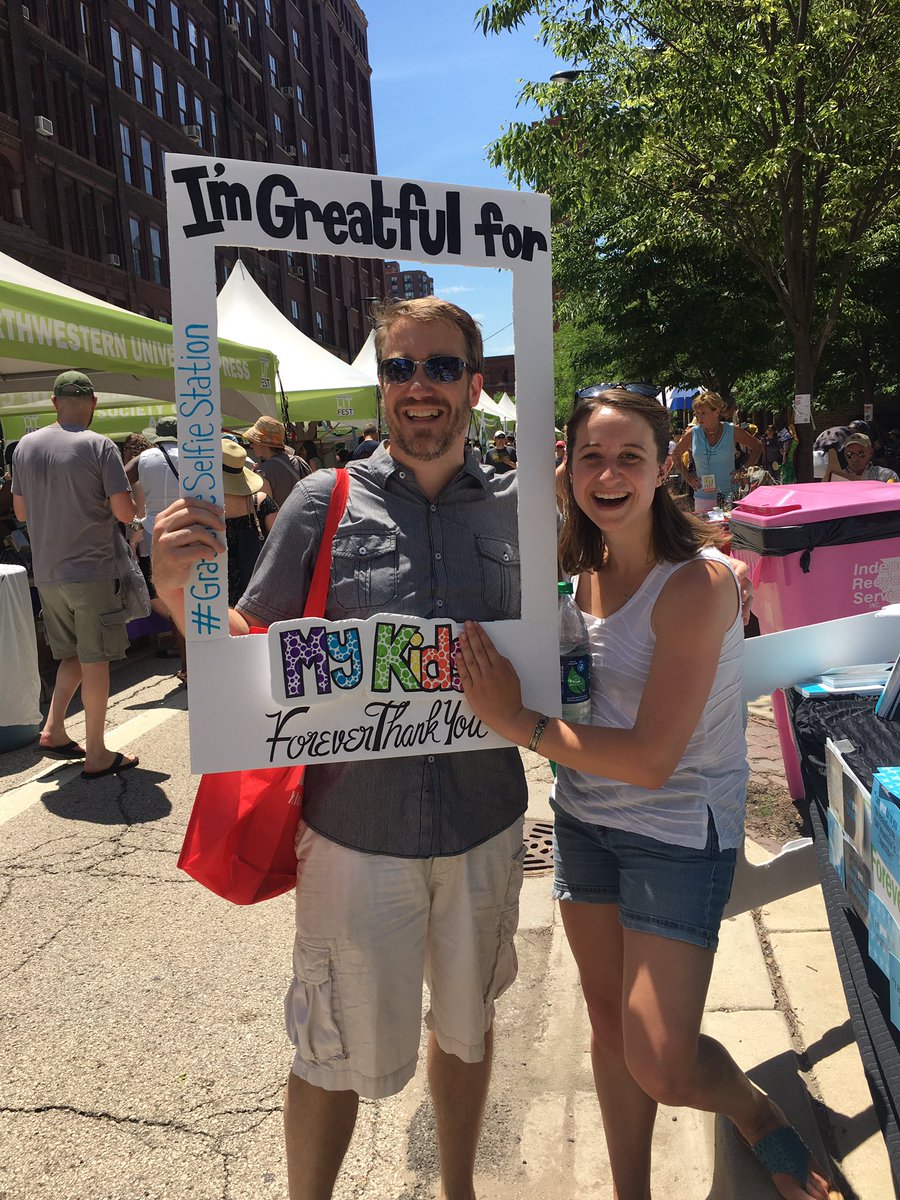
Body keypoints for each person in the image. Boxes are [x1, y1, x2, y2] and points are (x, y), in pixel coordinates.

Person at [151, 297, 526, 1200]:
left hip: (485, 821)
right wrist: (176, 597)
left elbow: (583, 622)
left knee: (466, 1028)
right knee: (330, 1049)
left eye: (441, 367)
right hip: (356, 834)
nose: (420, 387)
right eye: (400, 368)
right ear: (381, 386)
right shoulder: (324, 500)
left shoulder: (524, 506)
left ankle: (459, 1189)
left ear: (475, 384)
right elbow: (250, 642)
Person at [455, 387, 834, 1200]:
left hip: (675, 830)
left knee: (660, 1058)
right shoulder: (575, 571)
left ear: (665, 466)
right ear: (566, 469)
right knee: (606, 1028)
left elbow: (657, 759)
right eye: (590, 455)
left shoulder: (697, 584)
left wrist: (513, 720)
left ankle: (753, 1109)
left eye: (630, 456)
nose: (609, 473)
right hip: (585, 823)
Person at [11, 371, 140, 779]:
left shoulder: (25, 447)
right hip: (92, 569)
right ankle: (98, 753)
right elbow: (124, 512)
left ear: (53, 402)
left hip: (48, 572)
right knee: (96, 659)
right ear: (94, 403)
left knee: (74, 654)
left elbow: (20, 513)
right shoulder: (99, 445)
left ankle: (53, 728)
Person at [132, 418, 187, 683]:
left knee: (173, 601)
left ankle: (187, 666)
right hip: (191, 530)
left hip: (157, 537)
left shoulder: (145, 458)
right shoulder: (192, 455)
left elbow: (120, 477)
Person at [673, 391, 762, 512]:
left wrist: (744, 469)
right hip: (702, 498)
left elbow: (757, 446)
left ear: (716, 412)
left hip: (730, 496)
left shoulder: (732, 430)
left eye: (703, 413)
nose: (699, 417)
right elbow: (675, 455)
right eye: (697, 413)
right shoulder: (693, 433)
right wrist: (687, 476)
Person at [221, 438, 279, 607]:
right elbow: (280, 542)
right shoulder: (261, 502)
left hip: (216, 591)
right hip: (257, 589)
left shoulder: (204, 507)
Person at [242, 415, 310, 507]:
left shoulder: (262, 472)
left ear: (262, 444)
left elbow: (266, 511)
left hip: (281, 521)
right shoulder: (299, 461)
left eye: (252, 442)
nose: (251, 446)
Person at [825, 431, 898, 483]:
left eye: (861, 454)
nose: (855, 459)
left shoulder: (886, 476)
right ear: (845, 454)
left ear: (870, 452)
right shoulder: (838, 478)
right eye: (850, 454)